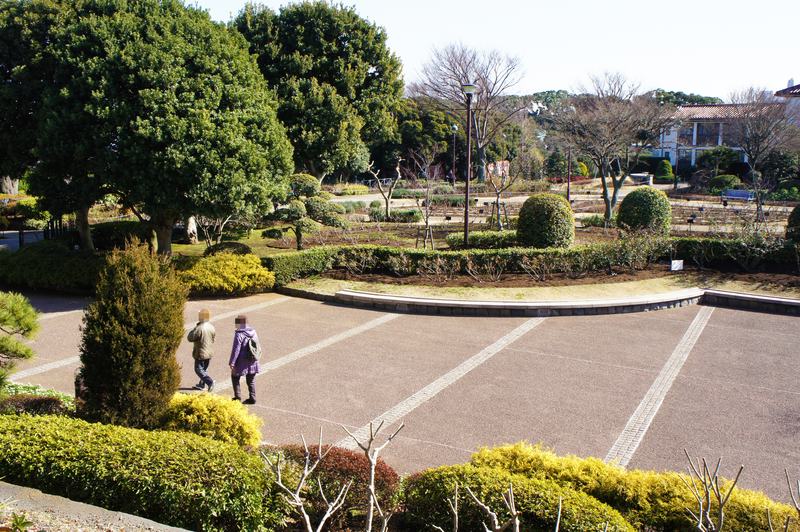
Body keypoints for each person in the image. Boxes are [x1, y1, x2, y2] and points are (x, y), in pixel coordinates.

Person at [229, 314, 260, 404]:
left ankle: (237, 397)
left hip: (242, 360)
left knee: (235, 377)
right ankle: (252, 398)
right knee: (251, 380)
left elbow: (236, 350)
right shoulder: (253, 332)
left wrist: (232, 362)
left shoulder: (239, 334)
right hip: (253, 359)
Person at [187, 309, 216, 391]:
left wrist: (195, 328)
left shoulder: (199, 328)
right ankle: (201, 384)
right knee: (204, 370)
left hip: (201, 352)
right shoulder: (211, 327)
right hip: (209, 352)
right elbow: (213, 339)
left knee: (198, 369)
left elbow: (190, 338)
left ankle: (210, 382)